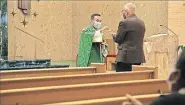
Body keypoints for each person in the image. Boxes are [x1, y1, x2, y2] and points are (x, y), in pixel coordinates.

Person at [111, 3, 145, 72]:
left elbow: (118, 39)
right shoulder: (141, 23)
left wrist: (113, 35)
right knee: (135, 80)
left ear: (126, 11)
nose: (122, 13)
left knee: (122, 80)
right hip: (138, 57)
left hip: (125, 58)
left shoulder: (124, 22)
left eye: (123, 11)